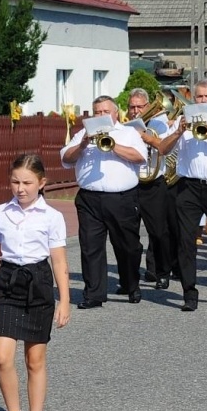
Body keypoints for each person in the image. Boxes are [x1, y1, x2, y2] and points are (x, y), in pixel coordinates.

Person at [0, 154, 72, 411]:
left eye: (27, 183)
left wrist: (64, 300)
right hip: (7, 285)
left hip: (38, 285)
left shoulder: (52, 217)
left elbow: (59, 262)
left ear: (42, 183)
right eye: (15, 182)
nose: (20, 188)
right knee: (3, 356)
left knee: (35, 359)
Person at [145, 79, 207, 310]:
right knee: (185, 241)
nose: (202, 100)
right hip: (188, 186)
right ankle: (189, 292)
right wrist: (179, 131)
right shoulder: (183, 120)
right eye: (199, 97)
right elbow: (162, 148)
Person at [61, 95, 146, 308]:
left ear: (115, 113)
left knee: (128, 246)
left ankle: (131, 284)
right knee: (91, 247)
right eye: (97, 112)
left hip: (122, 199)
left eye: (105, 111)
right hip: (90, 199)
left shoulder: (128, 133)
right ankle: (94, 294)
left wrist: (113, 145)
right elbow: (66, 159)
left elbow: (140, 157)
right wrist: (81, 146)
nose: (101, 115)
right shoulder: (83, 134)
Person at [126, 88, 178, 289]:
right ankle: (129, 277)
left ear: (148, 106)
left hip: (154, 184)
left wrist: (148, 138)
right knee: (128, 234)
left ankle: (161, 272)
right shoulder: (124, 126)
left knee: (158, 232)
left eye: (140, 106)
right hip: (131, 184)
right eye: (132, 107)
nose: (136, 111)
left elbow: (166, 146)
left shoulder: (160, 124)